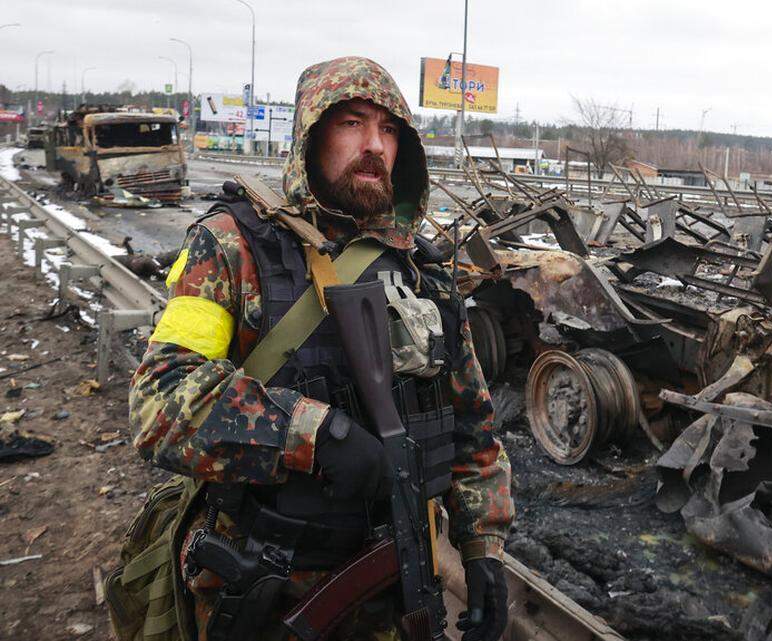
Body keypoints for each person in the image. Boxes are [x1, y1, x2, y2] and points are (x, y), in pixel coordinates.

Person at [128, 56, 514, 641]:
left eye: (389, 130)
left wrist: (483, 546)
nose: (374, 146)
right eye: (353, 124)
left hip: (394, 586)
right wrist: (312, 434)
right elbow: (160, 400)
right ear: (310, 134)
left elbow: (471, 424)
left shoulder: (422, 274)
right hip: (270, 587)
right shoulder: (232, 246)